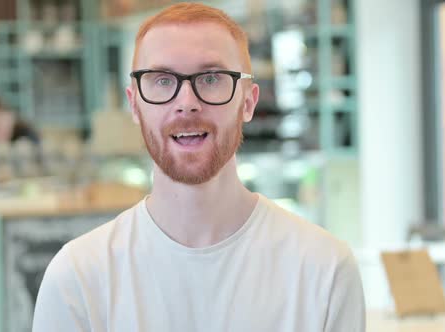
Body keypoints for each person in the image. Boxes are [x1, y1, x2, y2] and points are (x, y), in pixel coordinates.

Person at [32, 3, 365, 332]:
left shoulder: (325, 270)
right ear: (134, 104)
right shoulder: (77, 278)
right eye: (162, 80)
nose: (187, 102)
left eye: (210, 78)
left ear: (248, 101)